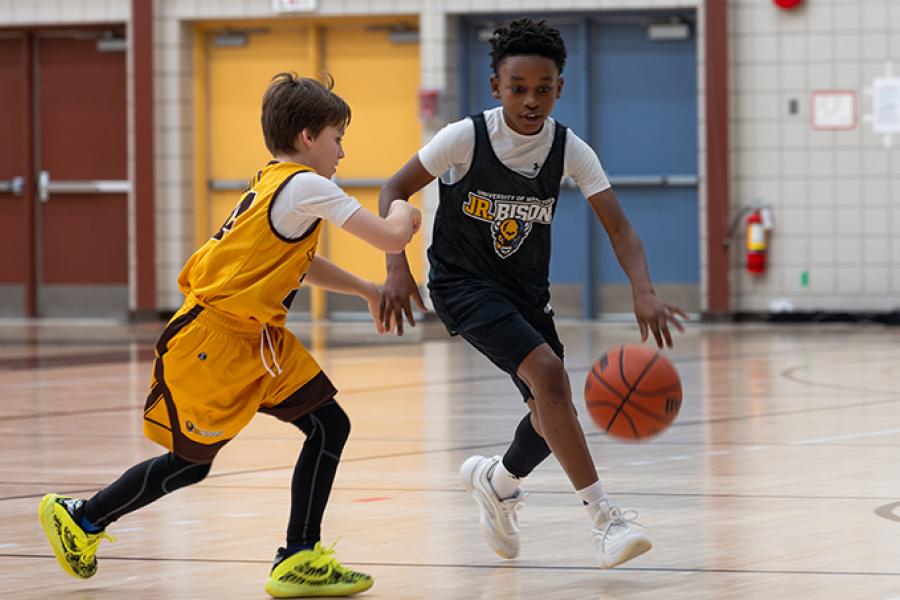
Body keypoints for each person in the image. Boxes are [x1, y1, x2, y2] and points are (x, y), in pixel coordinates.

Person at [38, 72, 421, 598]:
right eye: (337, 138)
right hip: (213, 341)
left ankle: (300, 556)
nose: (342, 152)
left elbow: (298, 264)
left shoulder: (278, 181)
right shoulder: (307, 184)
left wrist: (368, 290)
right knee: (192, 465)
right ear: (308, 138)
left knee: (330, 425)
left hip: (258, 339)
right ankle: (83, 518)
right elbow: (393, 233)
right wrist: (403, 203)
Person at [377, 18, 686, 568]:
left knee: (550, 415)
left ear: (560, 88)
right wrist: (395, 265)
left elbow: (620, 228)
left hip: (525, 291)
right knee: (548, 376)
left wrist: (643, 290)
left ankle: (497, 483)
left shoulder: (570, 149)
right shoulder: (465, 137)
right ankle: (604, 518)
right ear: (496, 86)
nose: (531, 100)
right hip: (462, 283)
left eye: (543, 88)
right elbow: (393, 188)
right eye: (518, 88)